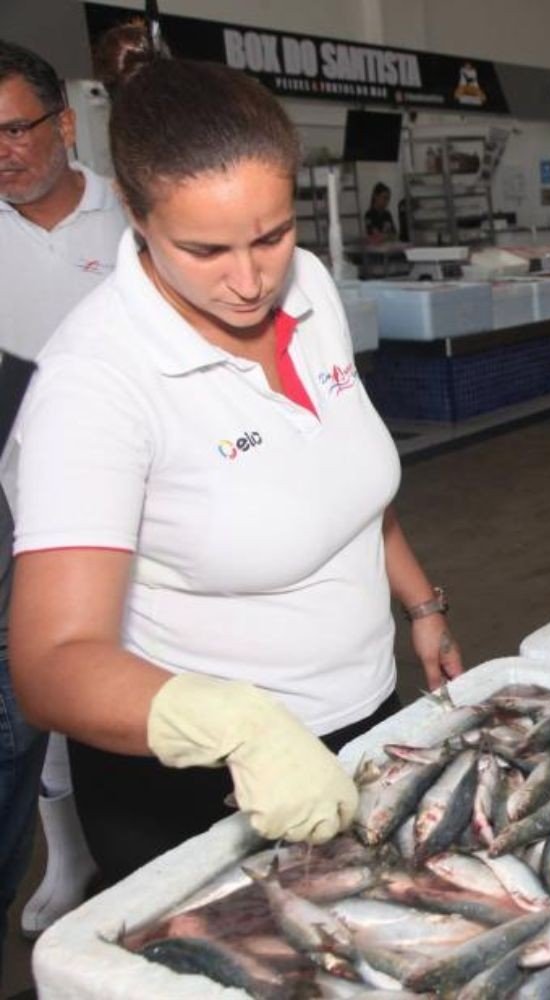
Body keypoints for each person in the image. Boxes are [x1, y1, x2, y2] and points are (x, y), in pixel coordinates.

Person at [7, 26, 465, 893]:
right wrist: (239, 726)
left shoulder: (313, 288)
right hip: (199, 784)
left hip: (363, 717)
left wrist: (421, 605)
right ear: (134, 218)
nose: (251, 279)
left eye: (272, 235)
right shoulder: (97, 382)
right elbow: (53, 661)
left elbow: (346, 480)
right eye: (206, 251)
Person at [0, 38, 128, 957]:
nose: (1, 149)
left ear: (64, 124)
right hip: (20, 503)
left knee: (137, 656)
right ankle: (67, 852)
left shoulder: (131, 218)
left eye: (15, 128)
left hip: (137, 493)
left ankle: (140, 836)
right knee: (37, 672)